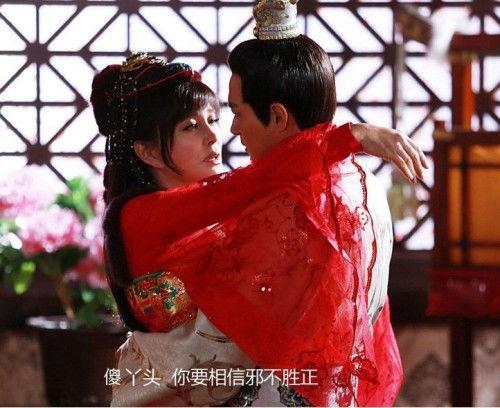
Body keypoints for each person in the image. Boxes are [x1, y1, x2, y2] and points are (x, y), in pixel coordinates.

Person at [93, 16, 425, 405]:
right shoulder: (138, 216)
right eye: (190, 126)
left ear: (277, 116)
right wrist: (349, 136)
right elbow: (253, 182)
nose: (217, 135)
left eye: (214, 119)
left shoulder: (264, 204)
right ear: (148, 151)